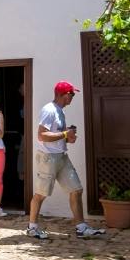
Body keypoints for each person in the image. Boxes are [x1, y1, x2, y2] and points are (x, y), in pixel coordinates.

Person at [27, 80, 103, 240]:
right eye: (72, 94)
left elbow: (58, 136)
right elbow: (42, 135)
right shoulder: (49, 110)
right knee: (41, 194)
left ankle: (81, 227)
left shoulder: (59, 111)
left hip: (61, 157)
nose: (73, 97)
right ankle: (32, 227)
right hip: (48, 158)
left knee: (76, 190)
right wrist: (65, 135)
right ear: (65, 95)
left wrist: (68, 137)